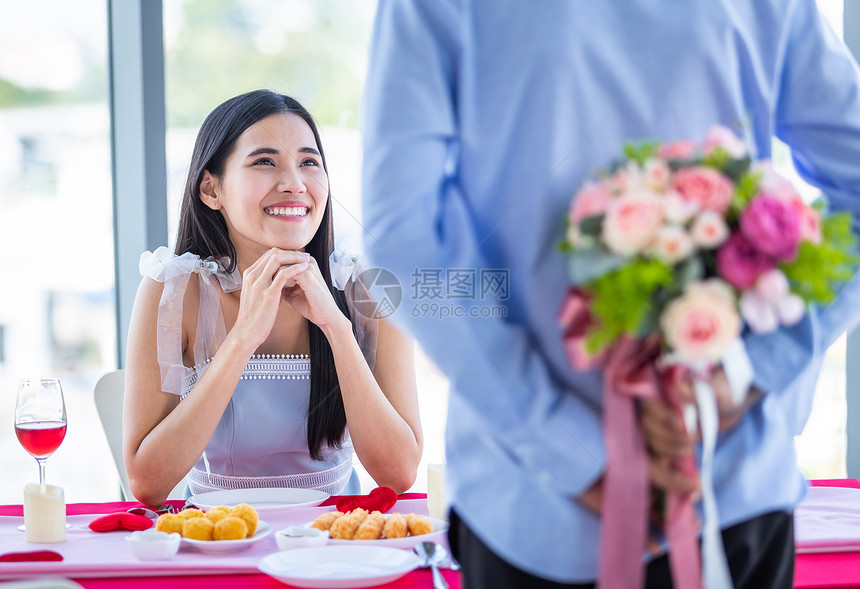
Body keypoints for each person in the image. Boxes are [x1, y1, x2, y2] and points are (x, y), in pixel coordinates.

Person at [361, 1, 860, 587]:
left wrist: (565, 442)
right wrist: (745, 372)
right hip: (720, 488)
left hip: (539, 501)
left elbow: (406, 237)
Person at [123, 90, 422, 508]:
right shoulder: (173, 290)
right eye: (265, 161)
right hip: (216, 539)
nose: (294, 184)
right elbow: (148, 483)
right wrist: (243, 336)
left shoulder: (366, 289)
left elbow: (400, 474)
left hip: (334, 539)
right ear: (211, 189)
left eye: (308, 162)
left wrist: (336, 327)